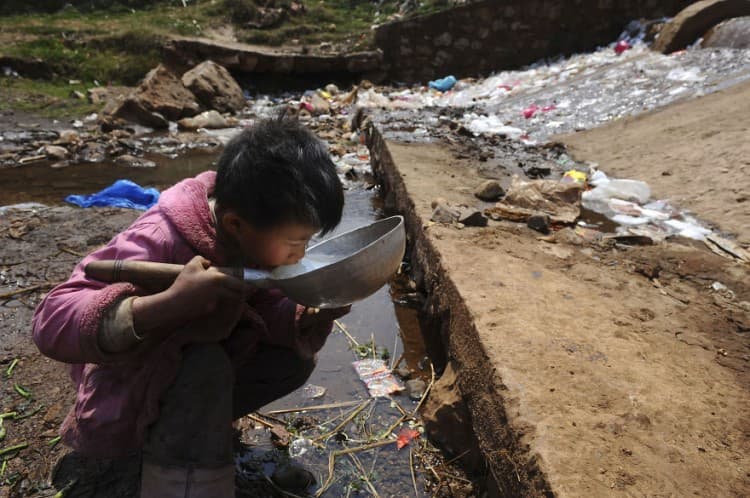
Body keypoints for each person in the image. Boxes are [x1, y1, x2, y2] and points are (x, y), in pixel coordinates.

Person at [32, 115, 350, 497]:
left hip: (189, 374)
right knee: (206, 366)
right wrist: (170, 303)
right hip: (130, 385)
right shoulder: (161, 237)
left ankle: (194, 431)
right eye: (296, 242)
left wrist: (307, 313)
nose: (301, 254)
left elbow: (264, 306)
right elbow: (50, 319)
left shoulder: (253, 236)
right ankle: (169, 471)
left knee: (292, 358)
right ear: (234, 224)